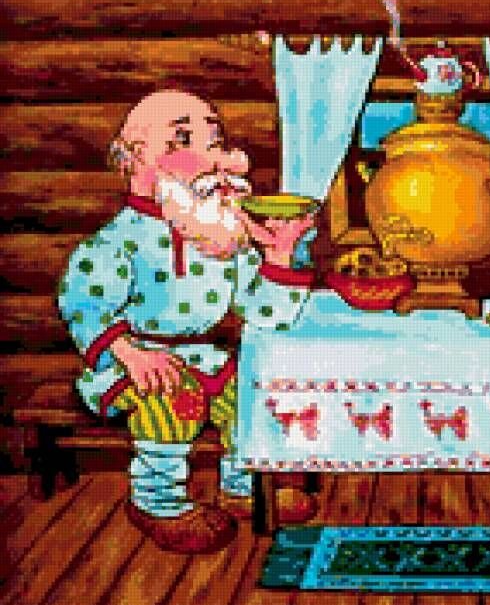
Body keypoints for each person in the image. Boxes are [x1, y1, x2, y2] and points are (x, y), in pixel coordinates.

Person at [57, 89, 317, 553]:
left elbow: (264, 312)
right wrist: (128, 352)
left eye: (214, 140)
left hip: (204, 357)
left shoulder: (220, 235)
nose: (211, 157)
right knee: (173, 396)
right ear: (136, 158)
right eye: (181, 140)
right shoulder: (119, 241)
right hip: (132, 361)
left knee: (250, 393)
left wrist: (279, 257)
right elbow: (83, 303)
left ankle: (241, 486)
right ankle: (157, 501)